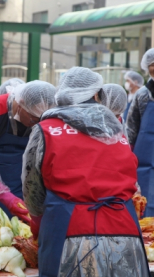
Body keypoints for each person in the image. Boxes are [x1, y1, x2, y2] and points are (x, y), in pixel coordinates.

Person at [22, 67, 149, 276]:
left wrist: (37, 221)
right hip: (123, 230)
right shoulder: (116, 127)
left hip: (67, 231)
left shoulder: (46, 129)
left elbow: (32, 187)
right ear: (97, 94)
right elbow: (131, 178)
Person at [0, 81, 56, 220]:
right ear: (20, 103)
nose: (37, 123)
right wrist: (5, 196)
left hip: (23, 188)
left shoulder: (43, 119)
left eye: (41, 120)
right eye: (33, 118)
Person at [126, 48, 154, 216]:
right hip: (146, 162)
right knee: (146, 203)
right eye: (152, 65)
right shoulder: (143, 96)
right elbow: (131, 128)